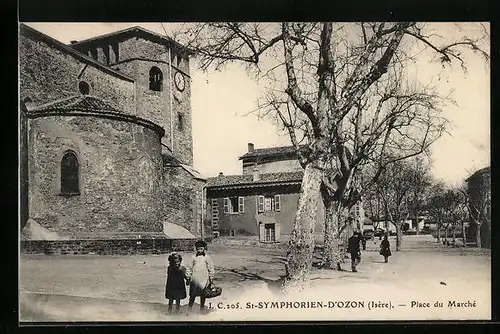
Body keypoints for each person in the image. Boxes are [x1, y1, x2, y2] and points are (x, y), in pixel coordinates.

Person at [186, 240, 215, 314]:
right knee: (192, 295)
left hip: (204, 279)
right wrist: (188, 276)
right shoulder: (193, 258)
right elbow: (189, 267)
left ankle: (202, 308)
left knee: (203, 294)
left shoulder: (207, 258)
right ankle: (189, 309)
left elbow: (210, 268)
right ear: (196, 249)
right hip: (195, 279)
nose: (199, 250)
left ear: (204, 249)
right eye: (198, 249)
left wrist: (211, 277)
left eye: (201, 249)